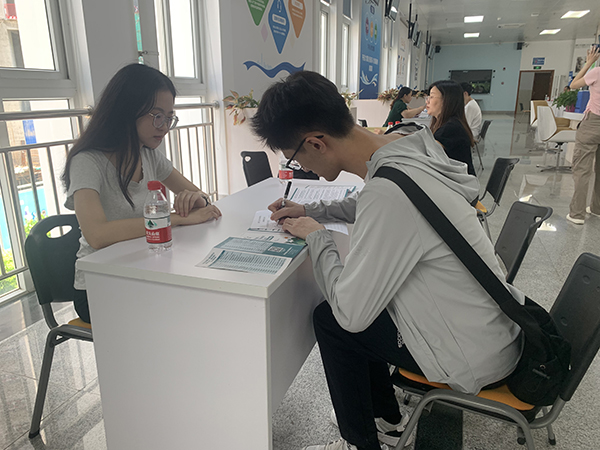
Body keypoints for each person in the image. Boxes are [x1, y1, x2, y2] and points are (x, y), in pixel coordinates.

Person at [251, 71, 523, 450]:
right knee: (365, 310)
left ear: (316, 143)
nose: (302, 168)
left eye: (294, 158)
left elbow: (351, 314)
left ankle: (360, 442)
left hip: (469, 353)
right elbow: (373, 200)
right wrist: (311, 208)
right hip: (493, 327)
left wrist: (316, 235)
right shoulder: (408, 145)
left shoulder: (387, 192)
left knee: (334, 321)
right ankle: (388, 422)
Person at [62, 63, 222, 323]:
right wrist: (176, 219)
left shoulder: (148, 155)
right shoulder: (87, 162)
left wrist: (198, 200)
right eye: (157, 116)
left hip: (144, 268)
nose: (164, 126)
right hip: (98, 285)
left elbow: (199, 195)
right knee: (186, 309)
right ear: (126, 111)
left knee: (203, 297)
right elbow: (97, 235)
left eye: (169, 117)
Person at [566, 46, 600, 225]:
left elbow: (573, 85)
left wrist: (588, 63)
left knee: (582, 170)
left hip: (593, 123)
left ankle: (577, 214)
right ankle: (597, 208)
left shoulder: (597, 72)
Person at [427, 80, 476, 176]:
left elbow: (427, 153)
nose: (427, 101)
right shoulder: (451, 123)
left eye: (432, 97)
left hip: (458, 182)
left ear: (446, 101)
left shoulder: (451, 128)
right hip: (453, 178)